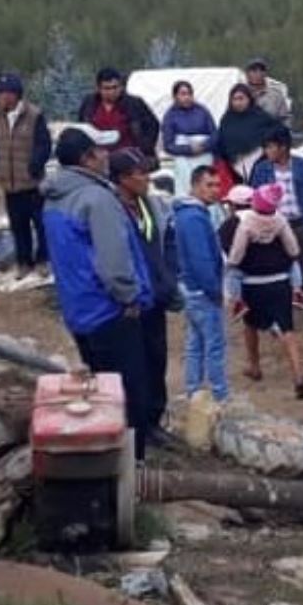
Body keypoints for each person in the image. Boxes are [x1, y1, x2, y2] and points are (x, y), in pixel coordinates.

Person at [43, 126, 157, 455]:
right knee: (128, 393)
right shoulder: (97, 199)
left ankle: (105, 452)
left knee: (100, 388)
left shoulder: (53, 197)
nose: (107, 154)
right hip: (109, 310)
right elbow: (113, 261)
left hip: (78, 309)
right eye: (100, 150)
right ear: (86, 158)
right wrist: (130, 297)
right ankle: (130, 467)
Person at [109, 150, 176, 435]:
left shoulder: (149, 204)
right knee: (135, 363)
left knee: (157, 357)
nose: (147, 178)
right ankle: (138, 424)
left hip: (156, 296)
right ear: (123, 179)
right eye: (141, 173)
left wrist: (169, 280)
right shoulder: (111, 210)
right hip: (131, 300)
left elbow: (166, 241)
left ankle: (155, 418)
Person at [227, 183, 303, 399]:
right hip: (280, 282)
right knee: (287, 330)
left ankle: (254, 366)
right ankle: (298, 374)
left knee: (250, 325)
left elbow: (236, 255)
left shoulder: (244, 225)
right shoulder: (280, 221)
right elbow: (293, 249)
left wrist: (232, 267)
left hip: (253, 284)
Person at [249, 125, 303, 322]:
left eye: (270, 147)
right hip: (275, 226)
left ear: (283, 147)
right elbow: (255, 198)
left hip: (301, 224)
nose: (267, 152)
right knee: (276, 272)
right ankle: (279, 314)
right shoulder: (261, 169)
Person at [0, 73, 51, 279]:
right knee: (18, 225)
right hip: (9, 182)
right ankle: (24, 261)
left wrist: (34, 166)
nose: (0, 98)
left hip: (32, 181)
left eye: (3, 93)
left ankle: (43, 260)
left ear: (14, 95)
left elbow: (44, 145)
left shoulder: (34, 115)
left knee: (40, 224)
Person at [174, 165, 230, 404]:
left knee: (195, 343)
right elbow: (201, 260)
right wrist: (215, 291)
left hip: (189, 287)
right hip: (201, 290)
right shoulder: (194, 218)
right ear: (195, 185)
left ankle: (193, 390)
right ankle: (219, 395)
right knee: (214, 345)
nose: (215, 191)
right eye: (209, 185)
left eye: (218, 185)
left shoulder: (186, 214)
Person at [77, 67, 159, 158]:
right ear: (99, 88)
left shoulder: (134, 103)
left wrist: (145, 148)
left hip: (129, 156)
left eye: (115, 87)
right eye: (107, 88)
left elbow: (153, 125)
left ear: (121, 86)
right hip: (98, 158)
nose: (112, 92)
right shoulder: (89, 104)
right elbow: (83, 128)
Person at [216, 82, 286, 183]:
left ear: (249, 99)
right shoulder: (226, 120)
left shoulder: (260, 116)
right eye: (235, 99)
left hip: (261, 164)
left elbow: (277, 132)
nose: (238, 102)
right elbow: (222, 142)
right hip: (235, 169)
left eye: (241, 98)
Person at [161, 79, 217, 193]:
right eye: (183, 94)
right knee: (187, 189)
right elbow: (168, 145)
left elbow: (215, 134)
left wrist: (203, 146)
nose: (187, 97)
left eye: (189, 93)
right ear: (175, 96)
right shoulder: (170, 116)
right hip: (183, 159)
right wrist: (189, 149)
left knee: (207, 187)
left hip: (204, 156)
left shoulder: (202, 111)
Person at [244, 57, 292, 123]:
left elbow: (285, 119)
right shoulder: (241, 94)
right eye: (254, 70)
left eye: (262, 70)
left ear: (265, 73)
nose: (258, 73)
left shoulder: (276, 95)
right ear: (247, 73)